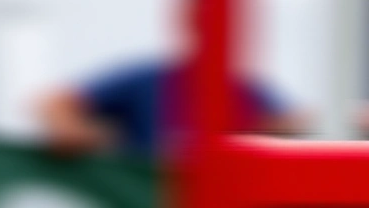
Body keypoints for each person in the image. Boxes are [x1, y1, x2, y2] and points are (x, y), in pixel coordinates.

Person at [37, 59, 299, 159]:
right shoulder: (149, 78)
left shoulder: (247, 90)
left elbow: (288, 124)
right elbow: (54, 103)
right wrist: (77, 134)